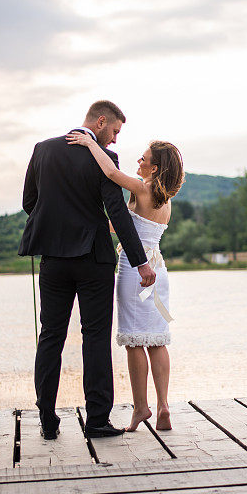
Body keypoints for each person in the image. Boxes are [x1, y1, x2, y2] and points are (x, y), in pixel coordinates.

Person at [18, 101, 156, 441]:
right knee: (94, 338)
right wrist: (141, 261)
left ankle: (47, 419)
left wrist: (56, 227)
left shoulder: (43, 150)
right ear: (101, 120)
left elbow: (29, 203)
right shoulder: (104, 159)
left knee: (51, 335)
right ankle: (96, 420)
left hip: (52, 259)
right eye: (114, 132)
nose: (114, 140)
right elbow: (116, 212)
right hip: (93, 259)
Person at [66, 130, 184, 432]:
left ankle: (141, 408)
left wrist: (90, 142)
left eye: (143, 159)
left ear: (154, 168)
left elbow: (109, 171)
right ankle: (163, 406)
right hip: (158, 270)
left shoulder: (143, 189)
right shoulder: (164, 198)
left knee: (134, 342)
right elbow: (124, 226)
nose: (139, 162)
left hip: (136, 271)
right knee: (156, 341)